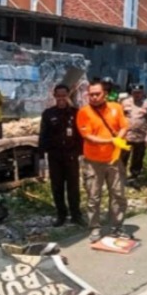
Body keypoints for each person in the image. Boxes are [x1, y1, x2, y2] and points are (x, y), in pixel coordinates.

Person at [76, 80, 130, 241]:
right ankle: (94, 228)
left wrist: (118, 139)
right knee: (94, 196)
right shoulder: (83, 112)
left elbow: (124, 126)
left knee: (118, 194)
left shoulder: (116, 108)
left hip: (114, 160)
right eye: (90, 94)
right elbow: (88, 136)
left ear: (104, 94)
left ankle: (117, 226)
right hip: (92, 162)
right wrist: (110, 142)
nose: (93, 97)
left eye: (97, 94)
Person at [38, 84, 84, 227]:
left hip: (71, 157)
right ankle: (61, 215)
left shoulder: (76, 113)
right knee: (57, 187)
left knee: (73, 187)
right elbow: (43, 136)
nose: (61, 98)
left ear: (68, 95)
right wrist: (41, 158)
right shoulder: (48, 114)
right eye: (58, 96)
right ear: (55, 96)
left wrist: (80, 153)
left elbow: (81, 136)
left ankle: (76, 215)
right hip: (55, 157)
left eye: (64, 95)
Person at [120, 83, 147, 186]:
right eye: (135, 93)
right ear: (131, 92)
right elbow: (119, 117)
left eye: (139, 93)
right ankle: (121, 177)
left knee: (138, 158)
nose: (137, 95)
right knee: (123, 157)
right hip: (127, 135)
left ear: (142, 93)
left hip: (140, 137)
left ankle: (134, 177)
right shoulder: (125, 103)